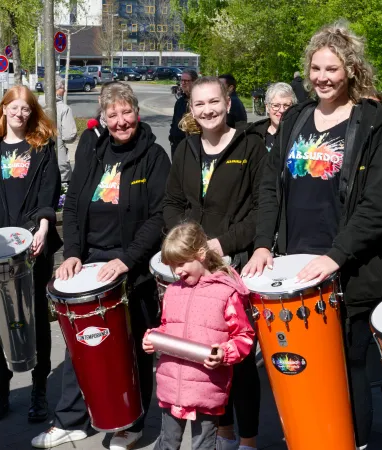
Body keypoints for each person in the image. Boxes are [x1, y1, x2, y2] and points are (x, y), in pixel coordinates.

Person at [242, 23, 382, 450]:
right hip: (297, 269)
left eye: (332, 68)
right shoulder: (294, 118)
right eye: (316, 68)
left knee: (349, 370)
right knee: (306, 370)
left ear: (351, 71)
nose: (322, 77)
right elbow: (270, 188)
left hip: (352, 270)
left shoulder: (371, 125)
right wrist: (261, 242)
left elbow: (377, 207)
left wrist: (336, 255)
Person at [31, 82, 170, 450]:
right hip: (90, 261)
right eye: (113, 115)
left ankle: (131, 422)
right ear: (104, 118)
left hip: (132, 267)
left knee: (132, 346)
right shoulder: (91, 149)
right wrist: (73, 253)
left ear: (136, 114)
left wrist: (127, 260)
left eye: (127, 113)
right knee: (80, 346)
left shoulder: (154, 157)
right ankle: (71, 420)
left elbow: (158, 217)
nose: (121, 121)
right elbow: (74, 206)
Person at [163, 76, 266, 450]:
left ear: (227, 102)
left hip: (232, 264)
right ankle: (222, 432)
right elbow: (172, 203)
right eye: (199, 104)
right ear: (190, 109)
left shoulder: (251, 146)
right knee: (208, 357)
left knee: (238, 359)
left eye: (213, 102)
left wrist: (223, 243)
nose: (207, 110)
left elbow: (262, 209)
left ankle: (249, 439)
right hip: (195, 270)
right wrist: (187, 244)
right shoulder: (185, 150)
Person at [0, 85, 61, 423]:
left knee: (37, 319)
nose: (19, 113)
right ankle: (1, 392)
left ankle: (39, 393)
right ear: (4, 109)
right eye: (14, 106)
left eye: (26, 108)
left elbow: (49, 192)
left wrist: (41, 229)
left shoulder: (42, 148)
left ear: (32, 113)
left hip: (33, 246)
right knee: (3, 321)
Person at [142, 222, 255, 450]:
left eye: (182, 263)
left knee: (203, 444)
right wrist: (153, 337)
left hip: (207, 389)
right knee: (167, 441)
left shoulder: (226, 292)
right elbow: (168, 327)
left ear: (201, 255)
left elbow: (244, 336)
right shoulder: (173, 292)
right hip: (171, 385)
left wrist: (224, 353)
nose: (178, 272)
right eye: (173, 267)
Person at [38, 86, 77, 182]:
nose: (64, 90)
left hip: (37, 157)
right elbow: (69, 136)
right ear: (55, 88)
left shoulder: (34, 107)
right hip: (59, 159)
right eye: (62, 87)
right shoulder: (64, 108)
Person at [246, 82, 297, 152]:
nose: (282, 110)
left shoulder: (300, 134)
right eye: (276, 105)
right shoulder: (255, 135)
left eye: (286, 105)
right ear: (267, 107)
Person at [169, 69, 198, 153]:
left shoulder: (198, 101)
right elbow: (175, 122)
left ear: (194, 82)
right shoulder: (180, 101)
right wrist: (172, 137)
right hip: (176, 146)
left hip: (191, 146)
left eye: (186, 81)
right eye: (182, 80)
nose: (183, 83)